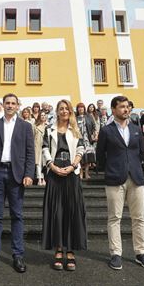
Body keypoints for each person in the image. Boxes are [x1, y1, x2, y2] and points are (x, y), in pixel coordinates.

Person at [0, 93, 35, 273]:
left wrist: (29, 173)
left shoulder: (25, 127)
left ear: (18, 106)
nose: (10, 106)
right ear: (2, 105)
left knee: (17, 215)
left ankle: (18, 255)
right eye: (7, 103)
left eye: (13, 103)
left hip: (16, 175)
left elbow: (30, 153)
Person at [96, 96, 144, 270]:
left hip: (136, 177)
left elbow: (142, 153)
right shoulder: (106, 131)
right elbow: (100, 156)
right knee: (114, 218)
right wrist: (111, 169)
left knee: (139, 218)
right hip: (115, 178)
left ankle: (141, 253)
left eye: (128, 107)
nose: (126, 110)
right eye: (122, 107)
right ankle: (115, 254)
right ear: (113, 109)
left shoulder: (136, 129)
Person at [41, 99, 86, 271]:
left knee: (72, 211)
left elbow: (81, 149)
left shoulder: (75, 129)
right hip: (54, 172)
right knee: (57, 212)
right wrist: (52, 166)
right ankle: (59, 249)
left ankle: (71, 250)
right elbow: (44, 148)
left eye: (67, 108)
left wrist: (73, 166)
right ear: (57, 111)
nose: (64, 111)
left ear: (70, 111)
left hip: (71, 172)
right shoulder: (49, 129)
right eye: (61, 109)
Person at [75, 103, 96, 180]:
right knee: (80, 157)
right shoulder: (75, 118)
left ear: (84, 109)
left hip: (87, 140)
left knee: (88, 157)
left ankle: (86, 173)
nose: (81, 109)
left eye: (82, 108)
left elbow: (94, 127)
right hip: (78, 140)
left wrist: (94, 135)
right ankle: (80, 172)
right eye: (79, 108)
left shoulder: (89, 117)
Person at [33, 111, 47, 186]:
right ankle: (39, 179)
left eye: (44, 115)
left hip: (46, 147)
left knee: (45, 163)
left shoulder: (48, 126)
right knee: (38, 164)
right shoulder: (35, 126)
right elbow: (32, 136)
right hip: (37, 146)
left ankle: (44, 178)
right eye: (41, 115)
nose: (43, 116)